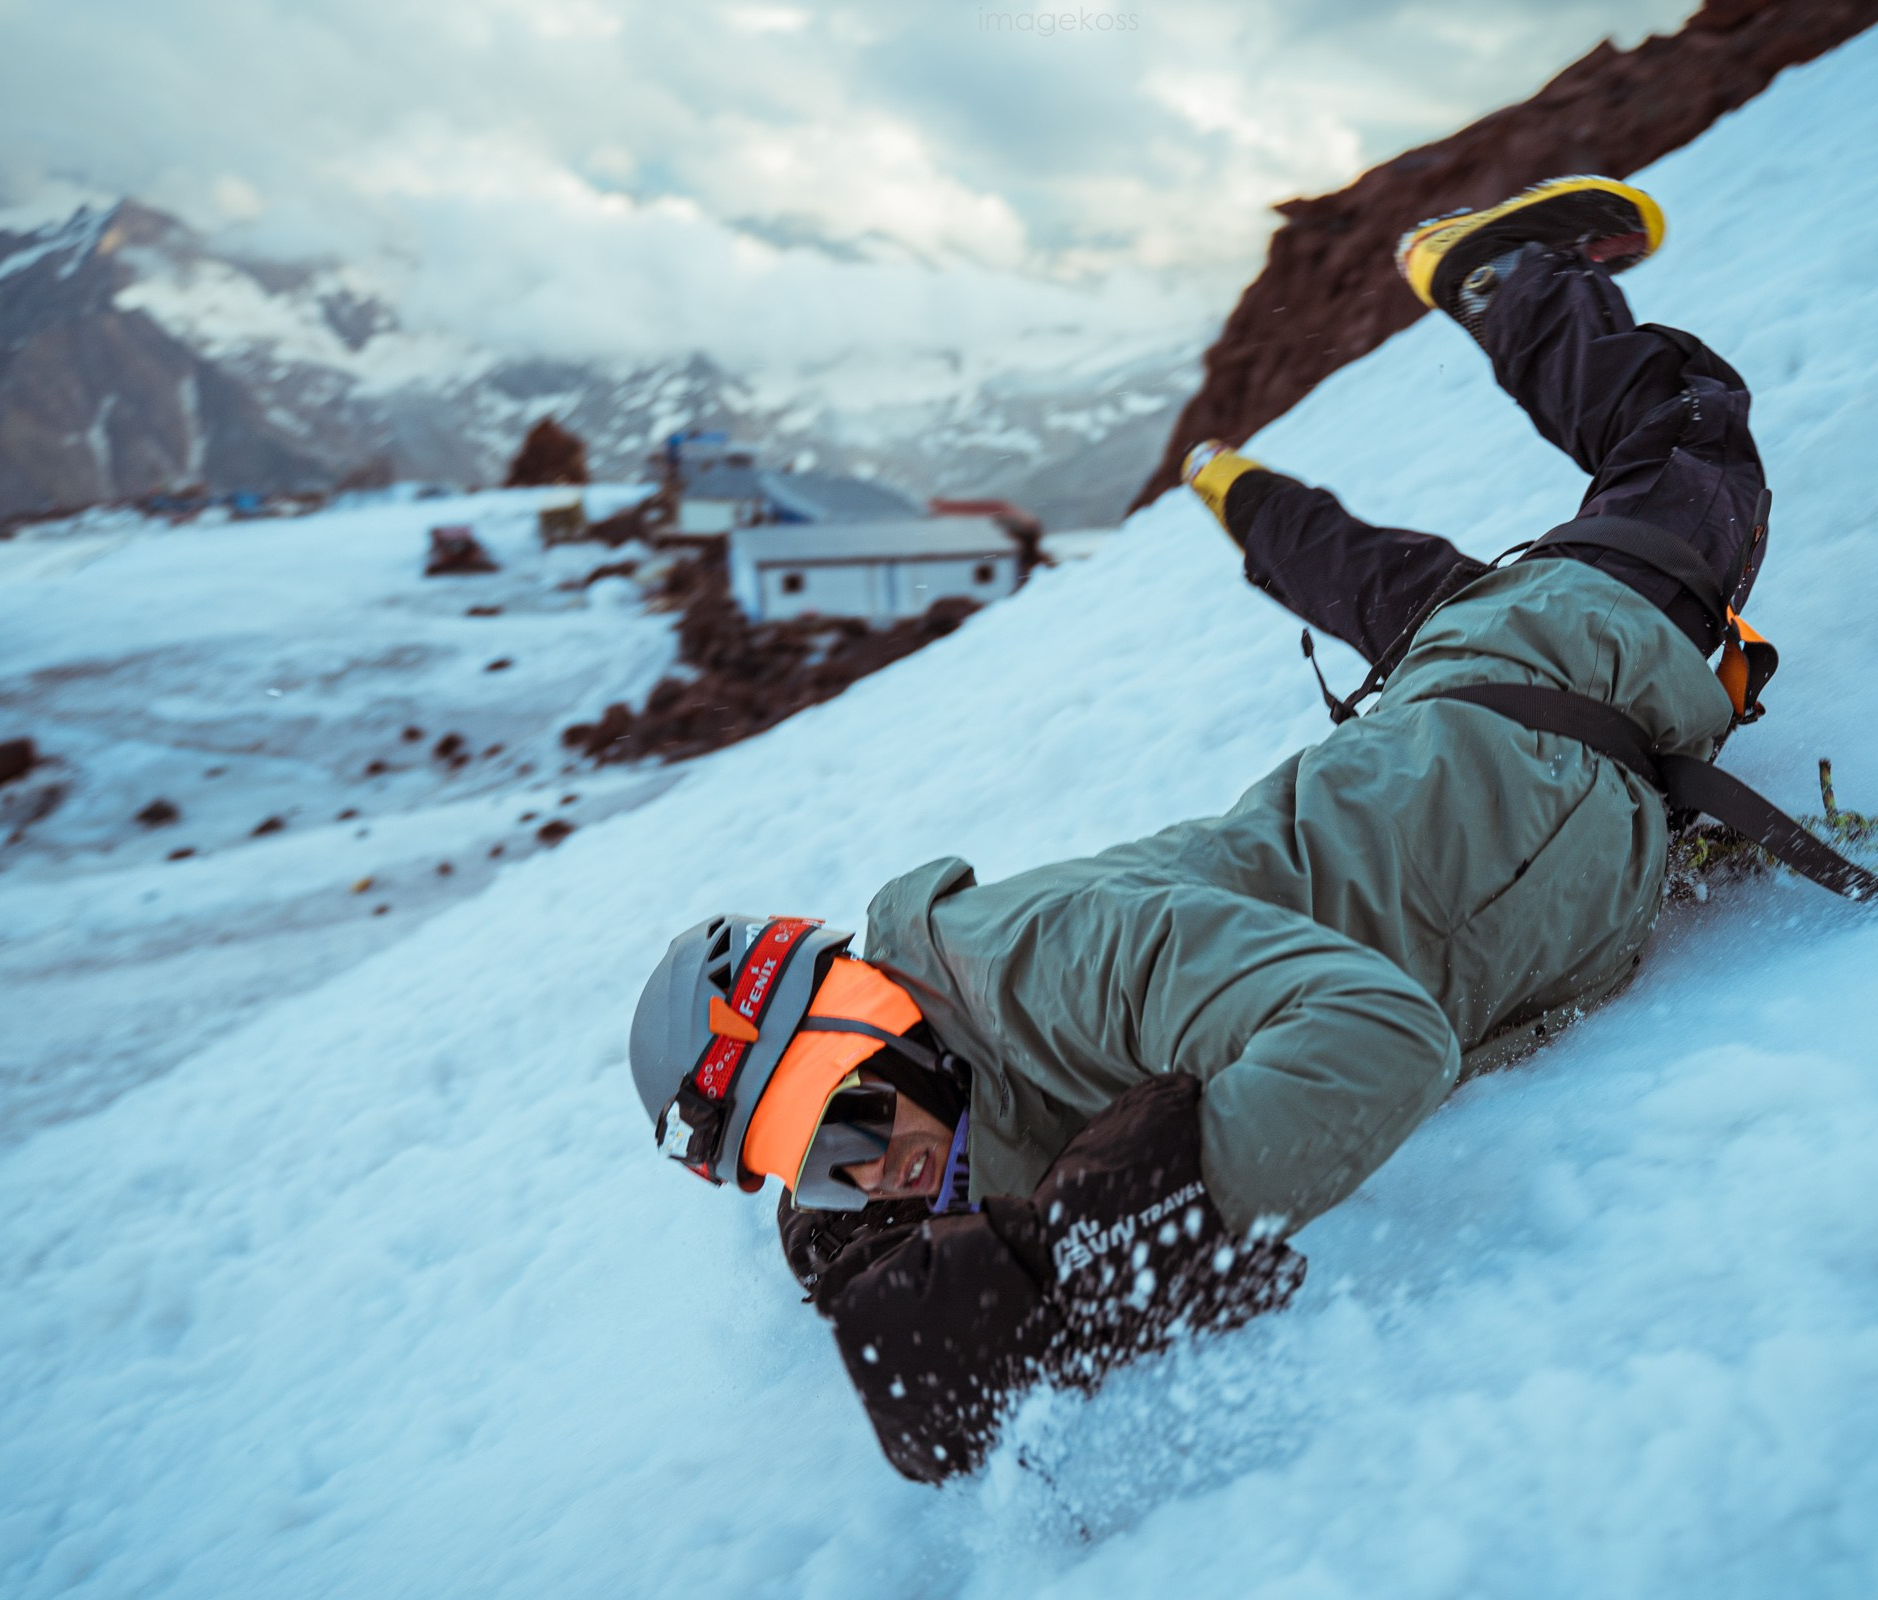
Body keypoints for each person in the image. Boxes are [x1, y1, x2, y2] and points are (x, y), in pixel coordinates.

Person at [629, 178, 1777, 1483]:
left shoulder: (1039, 957)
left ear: (866, 1021)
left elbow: (1377, 1036)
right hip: (1450, 728)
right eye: (811, 1170)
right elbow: (883, 1203)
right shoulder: (919, 1112)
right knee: (1413, 602)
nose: (858, 1173)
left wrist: (1105, 1252)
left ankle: (1505, 274)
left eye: (838, 1127)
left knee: (1686, 442)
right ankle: (1239, 494)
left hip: (1545, 702)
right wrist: (872, 1257)